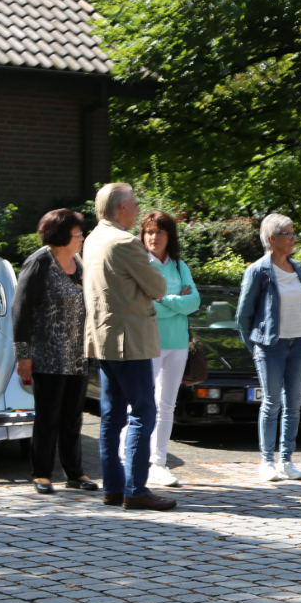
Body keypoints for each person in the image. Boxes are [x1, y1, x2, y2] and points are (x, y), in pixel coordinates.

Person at [83, 183, 177, 511]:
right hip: (130, 341)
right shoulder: (124, 242)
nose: (138, 209)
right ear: (122, 208)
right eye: (135, 204)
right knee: (143, 412)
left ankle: (114, 487)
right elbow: (158, 286)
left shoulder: (93, 239)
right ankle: (135, 489)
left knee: (111, 416)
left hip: (104, 339)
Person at [13, 209, 99, 495]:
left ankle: (75, 473)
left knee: (73, 417)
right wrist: (23, 355)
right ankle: (42, 474)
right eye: (78, 233)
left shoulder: (79, 263)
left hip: (78, 355)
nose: (82, 237)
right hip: (48, 355)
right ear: (62, 236)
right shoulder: (39, 262)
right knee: (48, 417)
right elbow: (21, 311)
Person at [236, 214, 301, 482]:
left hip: (299, 343)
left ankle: (286, 461)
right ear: (272, 239)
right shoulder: (258, 270)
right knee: (272, 403)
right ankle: (267, 461)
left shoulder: (298, 268)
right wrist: (255, 346)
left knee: (294, 404)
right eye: (288, 234)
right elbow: (243, 315)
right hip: (270, 345)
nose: (294, 238)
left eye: (293, 233)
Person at [139, 211, 200, 486]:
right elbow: (145, 306)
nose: (154, 237)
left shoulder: (179, 265)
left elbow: (194, 302)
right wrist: (177, 302)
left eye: (160, 231)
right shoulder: (141, 263)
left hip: (178, 344)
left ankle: (158, 463)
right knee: (142, 404)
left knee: (166, 406)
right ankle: (130, 459)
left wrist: (163, 299)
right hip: (148, 342)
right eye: (149, 231)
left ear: (169, 235)